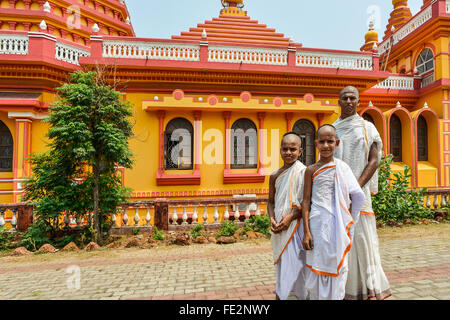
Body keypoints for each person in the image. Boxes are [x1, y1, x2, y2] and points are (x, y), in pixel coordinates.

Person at [333, 86, 391, 300]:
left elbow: (374, 161)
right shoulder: (332, 129)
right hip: (337, 195)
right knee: (340, 241)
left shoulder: (367, 128)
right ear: (338, 101)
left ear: (358, 102)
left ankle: (369, 288)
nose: (348, 101)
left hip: (360, 195)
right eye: (344, 98)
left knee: (362, 239)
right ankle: (342, 289)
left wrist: (354, 189)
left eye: (352, 98)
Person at [301, 124, 365, 300]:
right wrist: (306, 231)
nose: (326, 145)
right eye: (322, 141)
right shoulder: (310, 170)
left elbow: (357, 195)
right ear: (315, 144)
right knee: (316, 264)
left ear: (337, 143)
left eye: (330, 141)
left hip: (338, 225)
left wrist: (349, 218)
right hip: (317, 224)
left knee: (339, 265)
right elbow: (306, 201)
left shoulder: (343, 168)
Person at [268, 132, 307, 300]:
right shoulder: (275, 176)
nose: (289, 152)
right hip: (279, 230)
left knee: (298, 268)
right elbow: (270, 202)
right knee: (283, 266)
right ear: (280, 150)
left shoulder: (305, 172)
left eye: (293, 149)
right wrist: (271, 218)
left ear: (300, 151)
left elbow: (308, 204)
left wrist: (291, 217)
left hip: (297, 228)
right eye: (285, 149)